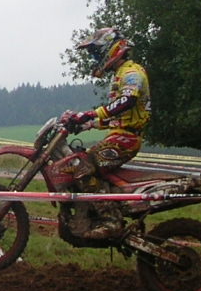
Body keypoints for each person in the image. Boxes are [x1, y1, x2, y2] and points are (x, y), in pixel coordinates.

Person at [61, 27, 151, 238]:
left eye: (96, 52)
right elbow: (117, 114)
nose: (95, 57)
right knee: (81, 162)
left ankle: (110, 220)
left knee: (83, 167)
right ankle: (93, 213)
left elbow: (127, 101)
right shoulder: (120, 74)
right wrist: (86, 124)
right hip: (120, 134)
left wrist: (90, 114)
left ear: (111, 48)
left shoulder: (131, 72)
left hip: (126, 138)